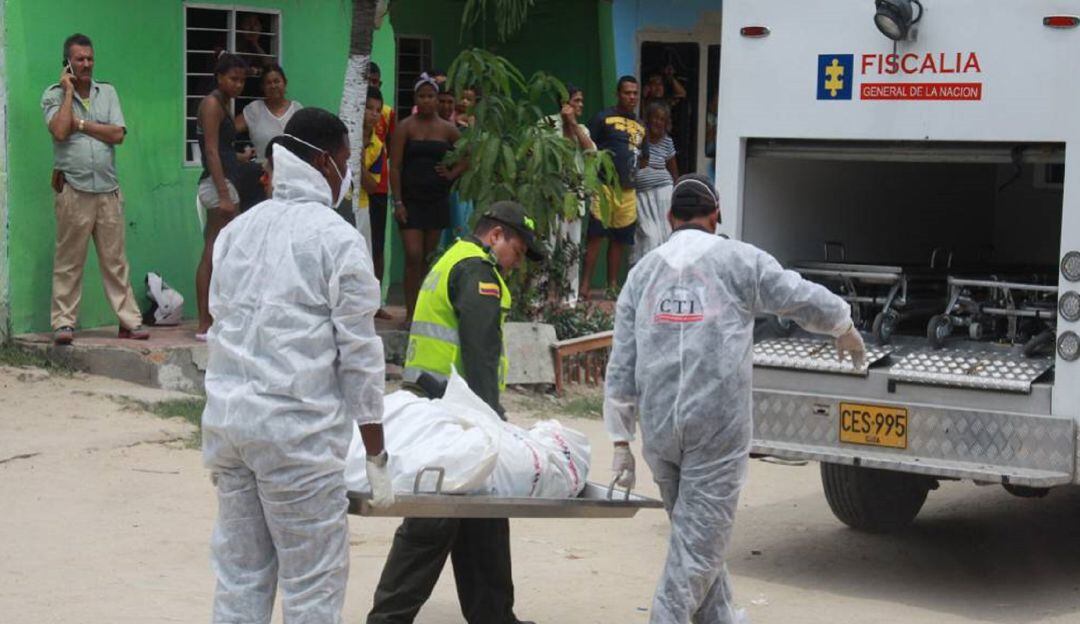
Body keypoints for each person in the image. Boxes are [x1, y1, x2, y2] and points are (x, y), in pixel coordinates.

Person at [604, 174, 866, 624]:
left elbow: (621, 359)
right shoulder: (740, 261)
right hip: (716, 429)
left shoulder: (642, 273)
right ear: (716, 214)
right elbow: (798, 296)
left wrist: (619, 439)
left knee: (696, 542)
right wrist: (843, 324)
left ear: (669, 218)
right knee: (695, 552)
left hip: (660, 430)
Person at [202, 107, 395, 623]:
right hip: (296, 442)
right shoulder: (337, 241)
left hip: (230, 432)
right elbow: (359, 354)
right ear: (326, 162)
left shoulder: (236, 234)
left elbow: (220, 327)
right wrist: (375, 455)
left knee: (240, 581)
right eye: (346, 160)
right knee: (312, 589)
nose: (347, 172)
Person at [368, 201, 544, 624]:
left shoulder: (451, 258)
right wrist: (492, 420)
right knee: (433, 522)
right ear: (496, 235)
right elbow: (480, 352)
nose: (516, 264)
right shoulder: (477, 271)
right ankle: (388, 619)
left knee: (482, 512)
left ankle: (495, 615)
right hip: (454, 412)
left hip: (438, 403)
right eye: (518, 251)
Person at [42, 33, 149, 345]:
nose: (86, 64)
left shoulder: (108, 93)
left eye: (89, 58)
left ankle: (129, 321)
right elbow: (61, 130)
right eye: (79, 59)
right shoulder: (51, 95)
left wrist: (84, 125)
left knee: (115, 261)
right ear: (67, 63)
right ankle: (64, 324)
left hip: (108, 191)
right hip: (72, 190)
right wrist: (67, 93)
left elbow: (117, 134)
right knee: (68, 261)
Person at [194, 53, 263, 339]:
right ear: (219, 77)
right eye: (233, 79)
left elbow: (221, 148)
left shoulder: (224, 103)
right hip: (217, 183)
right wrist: (223, 194)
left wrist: (240, 157)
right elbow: (209, 150)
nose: (238, 84)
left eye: (243, 80)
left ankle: (218, 318)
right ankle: (203, 323)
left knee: (226, 252)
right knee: (213, 250)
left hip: (228, 177)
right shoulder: (211, 103)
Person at [390, 73, 462, 325]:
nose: (427, 100)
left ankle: (425, 312)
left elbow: (469, 154)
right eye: (422, 96)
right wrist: (397, 201)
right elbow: (395, 167)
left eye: (431, 96)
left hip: (436, 198)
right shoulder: (405, 127)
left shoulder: (447, 129)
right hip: (410, 200)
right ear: (415, 98)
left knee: (429, 259)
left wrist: (452, 173)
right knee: (413, 254)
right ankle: (410, 314)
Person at [581, 75, 644, 301]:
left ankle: (612, 287)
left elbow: (642, 155)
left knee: (619, 241)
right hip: (604, 187)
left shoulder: (640, 125)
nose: (632, 97)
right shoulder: (602, 118)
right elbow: (587, 144)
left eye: (635, 93)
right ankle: (585, 286)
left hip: (628, 190)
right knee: (596, 237)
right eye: (627, 92)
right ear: (618, 94)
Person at [546, 84, 595, 306]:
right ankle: (538, 300)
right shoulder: (547, 124)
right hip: (550, 195)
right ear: (564, 104)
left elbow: (591, 152)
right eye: (577, 101)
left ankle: (568, 302)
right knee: (547, 249)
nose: (581, 105)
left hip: (573, 197)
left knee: (571, 251)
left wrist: (573, 124)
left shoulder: (581, 128)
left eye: (582, 101)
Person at [358, 87, 392, 320]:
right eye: (368, 108)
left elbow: (371, 185)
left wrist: (357, 164)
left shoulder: (377, 146)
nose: (372, 114)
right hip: (337, 204)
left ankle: (368, 306)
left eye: (377, 110)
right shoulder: (341, 135)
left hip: (362, 205)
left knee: (365, 255)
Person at [633, 101, 678, 263]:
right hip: (643, 196)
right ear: (648, 119)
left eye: (662, 120)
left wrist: (677, 193)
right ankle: (644, 268)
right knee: (649, 235)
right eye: (655, 118)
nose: (658, 122)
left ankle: (662, 270)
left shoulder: (667, 141)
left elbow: (673, 171)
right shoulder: (637, 138)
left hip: (664, 192)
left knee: (666, 233)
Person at [236, 63, 301, 163]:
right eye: (268, 83)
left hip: (292, 173)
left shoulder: (296, 109)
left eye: (276, 81)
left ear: (285, 83)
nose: (273, 86)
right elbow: (227, 131)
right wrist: (236, 155)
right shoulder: (255, 109)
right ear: (262, 87)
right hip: (263, 173)